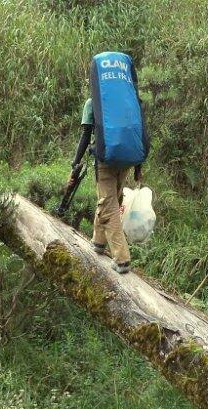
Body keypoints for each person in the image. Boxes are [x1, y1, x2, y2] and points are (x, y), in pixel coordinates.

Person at [70, 95, 143, 275]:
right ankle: (98, 241)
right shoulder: (127, 99)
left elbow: (86, 135)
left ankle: (122, 259)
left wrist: (75, 164)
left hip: (104, 161)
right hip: (126, 159)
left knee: (109, 205)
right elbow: (139, 131)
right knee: (110, 200)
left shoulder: (92, 102)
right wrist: (138, 168)